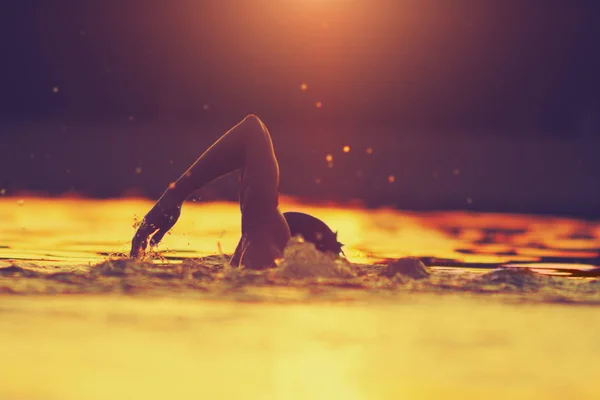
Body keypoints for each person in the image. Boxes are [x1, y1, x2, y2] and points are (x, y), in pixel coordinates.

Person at [130, 114, 344, 269]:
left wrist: (175, 195)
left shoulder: (264, 247)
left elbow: (253, 130)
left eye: (282, 222)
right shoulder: (255, 267)